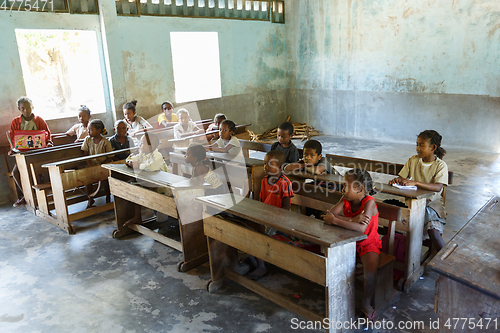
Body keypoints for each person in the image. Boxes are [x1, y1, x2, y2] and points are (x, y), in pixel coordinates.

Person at [323, 169, 381, 322]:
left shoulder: (369, 203)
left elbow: (361, 229)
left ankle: (366, 303)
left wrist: (337, 221)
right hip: (347, 242)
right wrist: (353, 219)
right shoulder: (345, 200)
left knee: (370, 273)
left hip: (367, 243)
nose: (342, 190)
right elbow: (329, 214)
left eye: (345, 186)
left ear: (359, 189)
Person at [389, 130, 449, 252]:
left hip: (432, 204)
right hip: (412, 201)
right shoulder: (413, 160)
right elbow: (402, 178)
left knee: (433, 230)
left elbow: (438, 187)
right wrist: (397, 181)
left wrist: (416, 182)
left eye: (422, 145)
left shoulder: (440, 165)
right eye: (417, 144)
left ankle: (444, 261)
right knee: (392, 213)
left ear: (433, 147)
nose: (418, 148)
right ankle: (403, 256)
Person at [246, 150, 294, 280]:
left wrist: (271, 218)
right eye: (264, 163)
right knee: (247, 228)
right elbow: (262, 202)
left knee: (260, 236)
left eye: (269, 164)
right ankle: (253, 257)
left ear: (279, 167)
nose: (265, 167)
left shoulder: (284, 183)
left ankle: (261, 267)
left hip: (279, 220)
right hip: (265, 217)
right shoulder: (264, 181)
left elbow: (286, 208)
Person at [9, 97, 52, 207]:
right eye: (23, 108)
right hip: (23, 154)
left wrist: (49, 142)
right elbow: (13, 138)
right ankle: (27, 195)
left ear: (32, 107)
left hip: (38, 153)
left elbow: (47, 133)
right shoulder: (15, 122)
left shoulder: (39, 120)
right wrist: (14, 149)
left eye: (28, 107)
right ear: (19, 109)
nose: (26, 110)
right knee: (15, 172)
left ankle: (44, 195)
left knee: (38, 170)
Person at [123, 133, 169, 227]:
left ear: (151, 147)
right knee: (133, 186)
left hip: (162, 189)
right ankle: (137, 217)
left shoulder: (157, 155)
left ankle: (166, 224)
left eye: (142, 143)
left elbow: (151, 167)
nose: (139, 145)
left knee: (162, 218)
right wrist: (131, 162)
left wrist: (138, 165)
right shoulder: (142, 154)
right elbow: (130, 158)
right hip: (150, 184)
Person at [81, 119, 113, 208]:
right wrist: (90, 166)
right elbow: (85, 155)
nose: (88, 131)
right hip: (91, 166)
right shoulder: (88, 140)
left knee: (106, 179)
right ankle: (90, 199)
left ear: (98, 131)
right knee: (88, 180)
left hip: (103, 166)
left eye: (90, 129)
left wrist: (102, 166)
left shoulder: (105, 142)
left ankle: (108, 197)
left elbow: (110, 157)